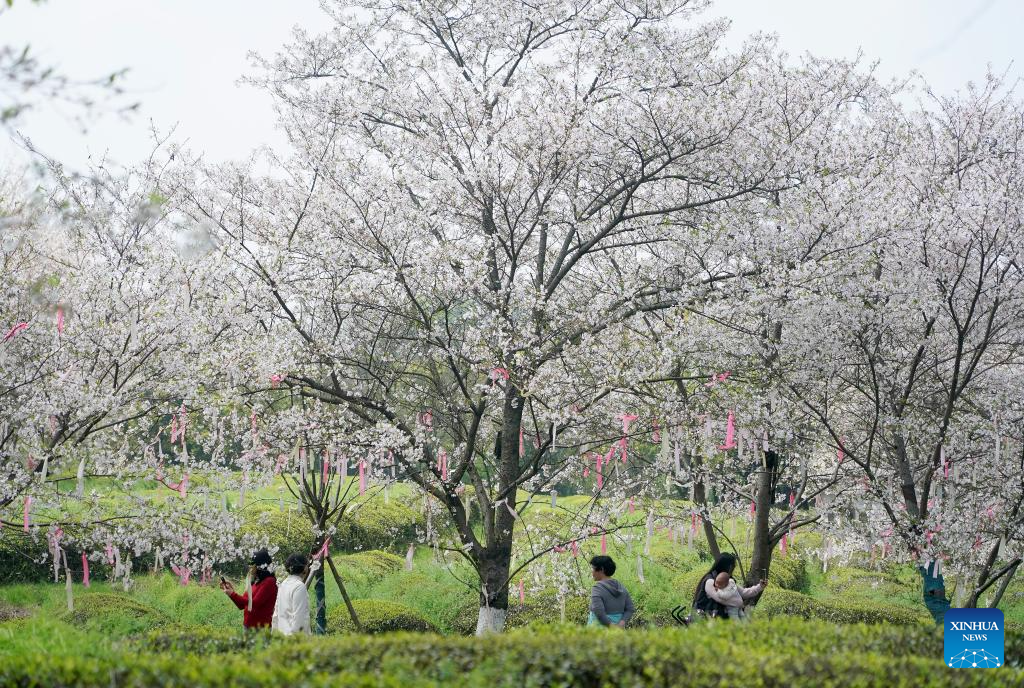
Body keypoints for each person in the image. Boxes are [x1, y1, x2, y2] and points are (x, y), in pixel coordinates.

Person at [692, 553, 766, 621]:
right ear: (729, 566)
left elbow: (743, 592)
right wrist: (739, 603)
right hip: (705, 619)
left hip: (719, 618)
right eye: (733, 566)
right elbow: (719, 598)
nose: (733, 569)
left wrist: (760, 586)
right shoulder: (710, 581)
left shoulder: (728, 581)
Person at [221, 548, 278, 629]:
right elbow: (241, 605)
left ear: (260, 566)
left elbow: (255, 603)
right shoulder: (255, 581)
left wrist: (232, 594)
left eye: (252, 564)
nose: (250, 567)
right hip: (248, 626)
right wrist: (230, 591)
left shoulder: (270, 582)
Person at [587, 555, 635, 628]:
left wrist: (611, 626)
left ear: (601, 569)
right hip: (617, 633)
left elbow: (599, 612)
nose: (592, 572)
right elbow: (630, 608)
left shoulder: (597, 588)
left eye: (593, 568)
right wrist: (622, 623)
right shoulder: (621, 587)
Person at [272, 553, 311, 636]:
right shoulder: (299, 586)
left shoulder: (283, 584)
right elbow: (299, 618)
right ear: (304, 568)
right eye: (307, 565)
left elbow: (276, 614)